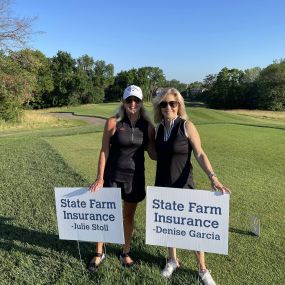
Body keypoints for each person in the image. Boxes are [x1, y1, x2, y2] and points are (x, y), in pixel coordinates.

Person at [153, 88, 230, 285]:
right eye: (164, 104)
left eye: (173, 103)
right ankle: (172, 260)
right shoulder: (159, 128)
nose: (168, 107)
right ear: (159, 107)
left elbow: (200, 153)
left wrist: (213, 177)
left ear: (179, 105)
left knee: (192, 229)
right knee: (169, 226)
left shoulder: (186, 126)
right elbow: (155, 155)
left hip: (184, 184)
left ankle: (203, 270)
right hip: (163, 184)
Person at [88, 85, 155, 271]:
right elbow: (104, 150)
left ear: (141, 103)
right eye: (129, 100)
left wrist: (173, 147)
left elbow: (153, 153)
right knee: (105, 214)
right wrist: (99, 177)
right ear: (123, 102)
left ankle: (125, 252)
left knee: (128, 216)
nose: (133, 103)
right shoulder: (113, 122)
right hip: (112, 176)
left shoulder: (148, 127)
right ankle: (99, 252)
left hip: (135, 178)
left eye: (136, 100)